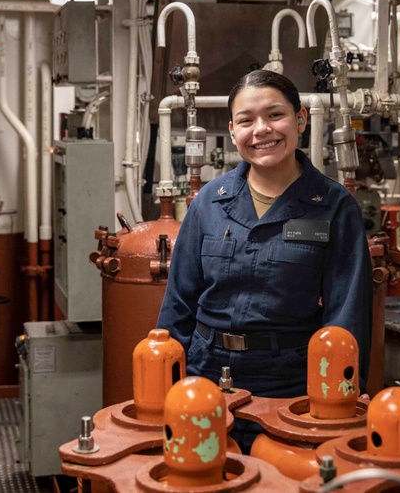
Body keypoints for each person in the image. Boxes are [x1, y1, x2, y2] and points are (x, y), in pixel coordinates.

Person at [156, 69, 371, 452]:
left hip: (289, 382)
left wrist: (341, 397)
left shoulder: (334, 206)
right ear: (233, 129)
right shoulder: (209, 201)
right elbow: (179, 304)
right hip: (204, 374)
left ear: (300, 119)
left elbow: (347, 315)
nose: (261, 130)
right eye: (246, 120)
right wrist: (163, 391)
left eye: (275, 115)